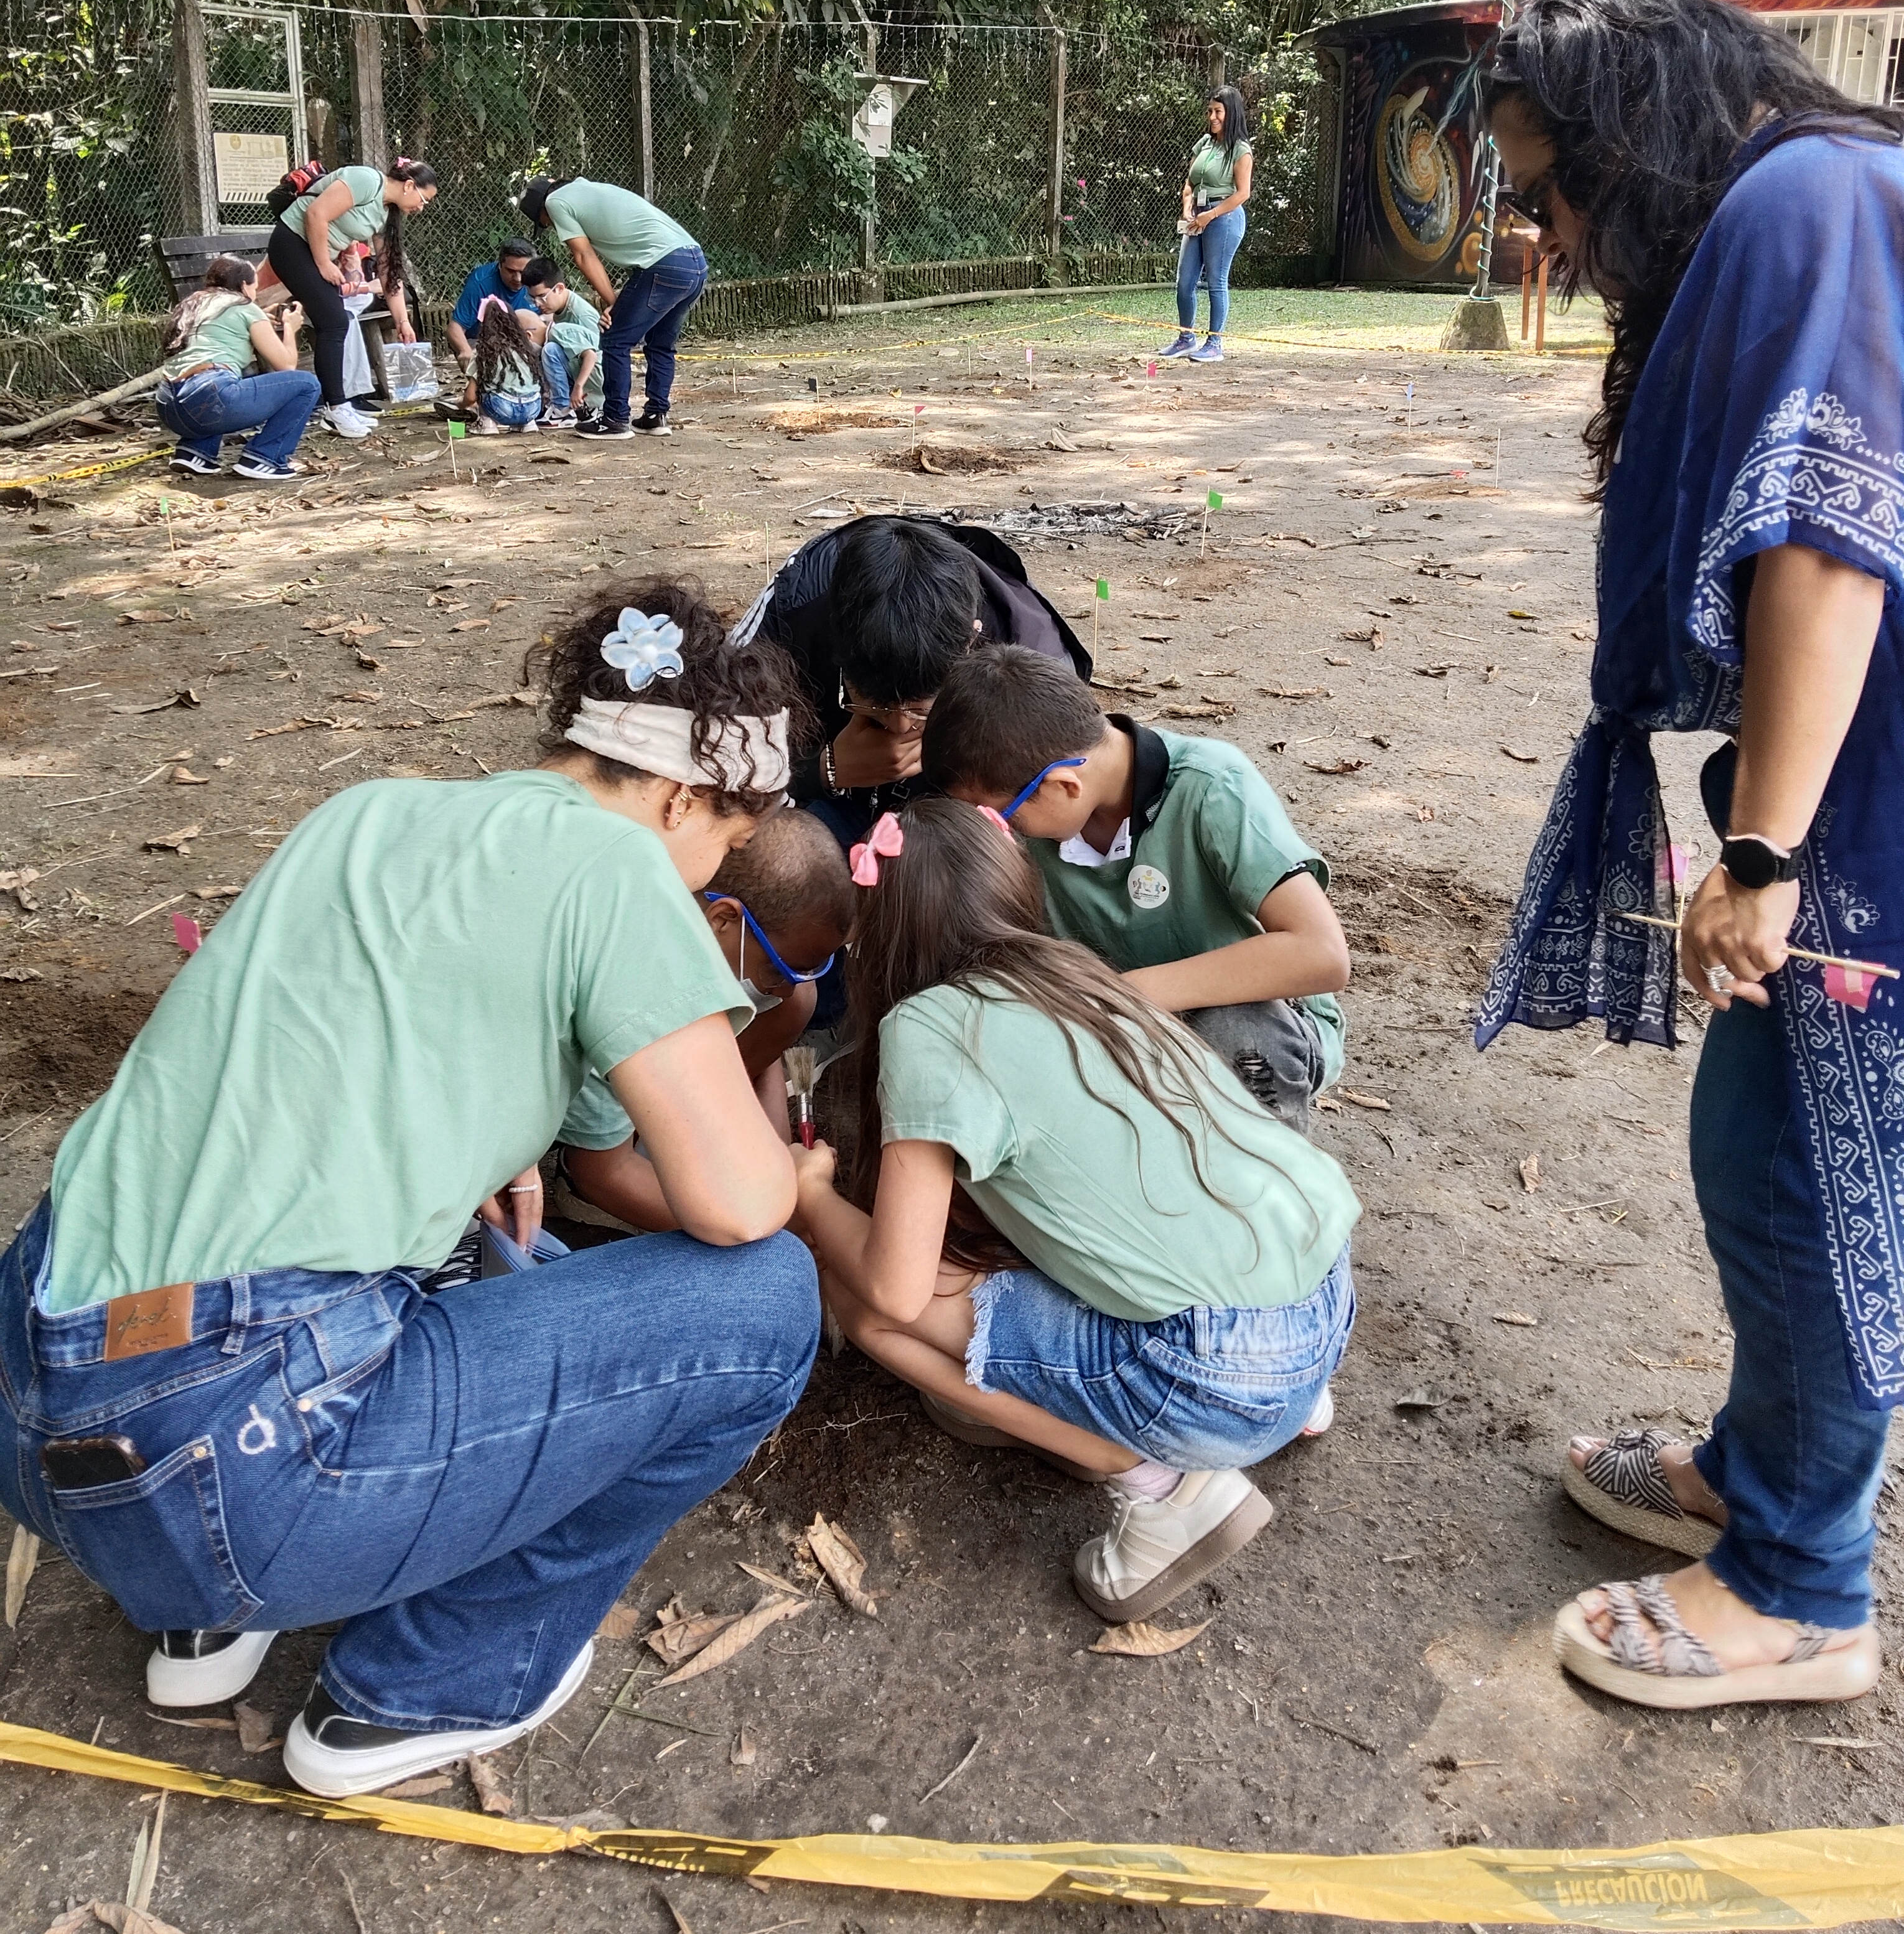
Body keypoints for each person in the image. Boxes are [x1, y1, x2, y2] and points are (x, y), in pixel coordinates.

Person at [0, 581, 818, 1798]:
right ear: (686, 795)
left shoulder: (366, 815)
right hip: (234, 1457)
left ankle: (207, 1622)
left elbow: (534, 1116)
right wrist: (802, 1161)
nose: (711, 873)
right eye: (725, 845)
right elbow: (738, 1205)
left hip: (39, 1405)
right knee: (770, 1300)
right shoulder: (619, 868)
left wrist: (500, 1148)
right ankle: (435, 1677)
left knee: (448, 1246)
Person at [1474, 0, 1904, 1711]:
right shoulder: (1808, 198)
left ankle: (1800, 1588)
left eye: (1541, 187)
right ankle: (1758, 1465)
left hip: (1862, 833)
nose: (1545, 235)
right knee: (1768, 1145)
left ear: (1626, 136)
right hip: (1855, 802)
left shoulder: (1809, 200)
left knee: (1798, 1170)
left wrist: (1761, 855)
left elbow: (1824, 532)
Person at [788, 798, 1359, 1622]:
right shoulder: (1083, 975)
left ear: (875, 937)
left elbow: (897, 1289)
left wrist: (810, 1200)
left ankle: (1163, 1491)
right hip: (1325, 1296)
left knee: (864, 1304)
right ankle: (1255, 1408)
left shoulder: (926, 1028)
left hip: (1223, 1374)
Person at [922, 647, 1350, 1136]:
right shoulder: (1039, 818)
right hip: (1110, 1023)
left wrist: (1129, 994)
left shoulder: (1212, 788)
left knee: (1238, 1035)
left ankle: (1271, 1192)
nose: (993, 832)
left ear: (1063, 786)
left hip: (1251, 1021)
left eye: (996, 815)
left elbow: (1322, 955)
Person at [554, 806, 855, 1233]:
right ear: (724, 920)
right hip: (600, 1156)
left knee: (797, 1002)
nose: (785, 988)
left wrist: (780, 1172)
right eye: (779, 970)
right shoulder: (631, 993)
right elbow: (602, 1171)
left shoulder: (754, 970)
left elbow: (766, 1054)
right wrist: (764, 1230)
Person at [732, 515, 1092, 854]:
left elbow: (1050, 813)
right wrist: (825, 769)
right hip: (822, 801)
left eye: (921, 710)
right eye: (876, 708)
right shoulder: (796, 604)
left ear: (972, 641)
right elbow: (714, 759)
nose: (901, 727)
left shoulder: (1032, 653)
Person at [518, 174, 706, 439]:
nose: (550, 226)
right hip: (694, 262)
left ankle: (615, 419)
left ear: (542, 209)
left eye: (544, 223)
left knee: (615, 338)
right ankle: (655, 415)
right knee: (660, 343)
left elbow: (583, 255)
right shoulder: (587, 190)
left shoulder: (556, 202)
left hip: (662, 264)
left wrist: (613, 304)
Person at [267, 158, 439, 440]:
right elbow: (315, 214)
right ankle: (336, 408)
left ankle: (339, 405)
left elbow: (388, 272)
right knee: (334, 322)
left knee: (334, 321)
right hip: (292, 243)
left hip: (312, 255)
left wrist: (403, 321)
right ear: (409, 186)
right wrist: (324, 263)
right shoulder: (367, 180)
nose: (421, 208)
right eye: (423, 199)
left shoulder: (387, 214)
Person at [154, 255, 320, 484]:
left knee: (237, 376)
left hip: (168, 405)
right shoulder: (246, 307)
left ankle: (195, 451)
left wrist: (260, 316)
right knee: (306, 384)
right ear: (243, 286)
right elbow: (287, 365)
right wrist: (290, 328)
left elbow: (222, 332)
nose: (255, 293)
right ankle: (265, 457)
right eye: (255, 287)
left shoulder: (193, 303)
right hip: (210, 398)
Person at [1161, 84, 1252, 365]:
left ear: (1231, 113)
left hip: (1223, 218)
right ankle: (1186, 339)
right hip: (1197, 216)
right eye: (1210, 111)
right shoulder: (1205, 144)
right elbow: (1190, 182)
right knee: (1185, 281)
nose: (1212, 117)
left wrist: (1210, 216)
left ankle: (1215, 344)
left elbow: (1242, 193)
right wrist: (1188, 207)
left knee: (1216, 281)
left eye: (1218, 112)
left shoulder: (1241, 150)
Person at [446, 239, 543, 381]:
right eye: (511, 271)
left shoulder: (539, 279)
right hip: (484, 342)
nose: (518, 279)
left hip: (524, 341)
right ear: (500, 265)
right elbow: (454, 328)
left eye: (523, 272)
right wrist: (464, 350)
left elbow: (551, 318)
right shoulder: (481, 282)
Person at [521, 257, 600, 423]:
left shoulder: (580, 316)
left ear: (559, 288)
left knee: (550, 350)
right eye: (533, 299)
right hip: (579, 369)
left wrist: (579, 387)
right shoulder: (558, 307)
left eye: (542, 297)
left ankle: (563, 410)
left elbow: (595, 355)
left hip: (595, 381)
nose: (537, 304)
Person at [465, 294, 551, 435]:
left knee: (483, 390)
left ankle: (487, 424)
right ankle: (528, 424)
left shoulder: (484, 353)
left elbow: (470, 397)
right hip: (533, 408)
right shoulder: (526, 350)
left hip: (503, 409)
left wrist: (461, 405)